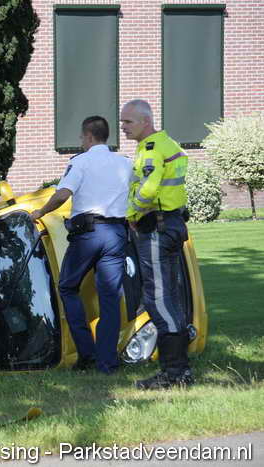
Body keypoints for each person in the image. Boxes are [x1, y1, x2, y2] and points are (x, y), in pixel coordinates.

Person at [30, 116, 133, 374]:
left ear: (88, 136)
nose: (80, 141)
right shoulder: (125, 163)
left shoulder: (81, 162)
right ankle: (107, 363)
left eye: (81, 137)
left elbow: (63, 194)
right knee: (110, 298)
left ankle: (87, 353)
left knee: (67, 286)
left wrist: (40, 212)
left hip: (88, 234)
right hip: (116, 233)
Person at [120, 99, 193, 389]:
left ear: (145, 122)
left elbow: (148, 190)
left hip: (156, 228)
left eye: (128, 122)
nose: (123, 127)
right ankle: (178, 370)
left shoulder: (151, 149)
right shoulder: (167, 143)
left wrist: (131, 214)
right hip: (170, 224)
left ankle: (175, 374)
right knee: (169, 297)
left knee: (158, 299)